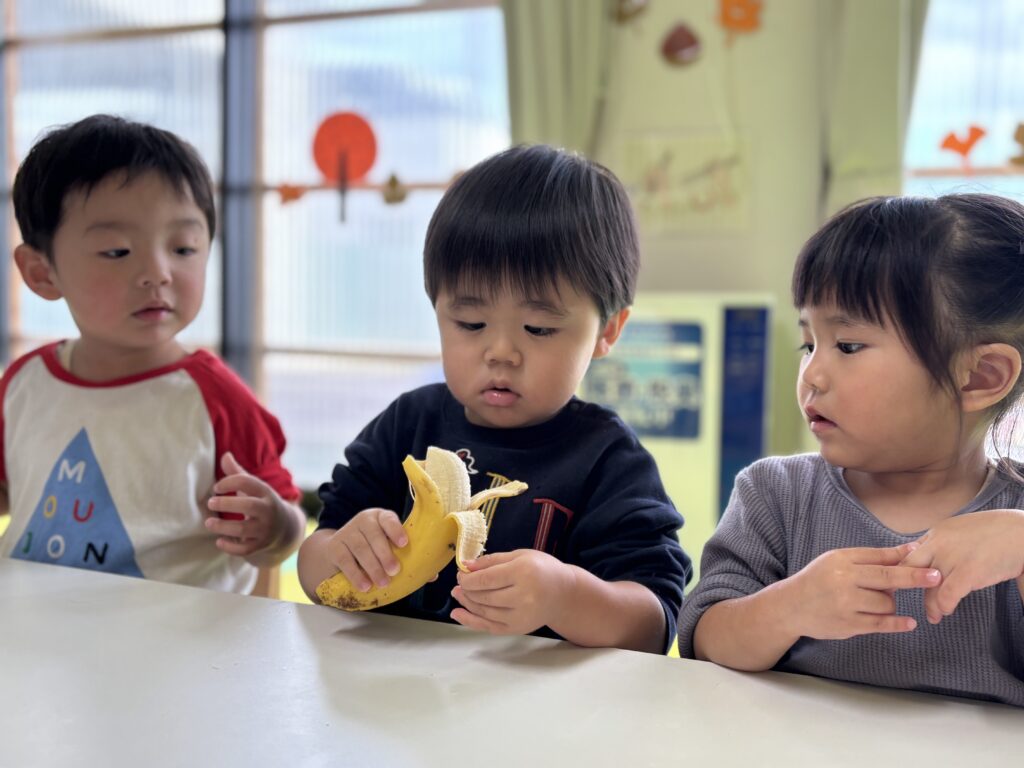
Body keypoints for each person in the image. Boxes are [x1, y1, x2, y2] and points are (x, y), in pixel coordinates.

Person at [298, 145, 691, 653]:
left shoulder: (608, 459)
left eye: (539, 328)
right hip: (394, 689)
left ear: (607, 331)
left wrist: (566, 596)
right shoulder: (407, 426)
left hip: (539, 699)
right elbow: (315, 565)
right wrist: (342, 551)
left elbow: (654, 623)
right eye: (470, 323)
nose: (501, 352)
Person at [678, 193, 1024, 705]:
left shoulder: (1016, 521)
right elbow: (703, 639)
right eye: (808, 344)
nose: (812, 375)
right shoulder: (775, 494)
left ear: (979, 376)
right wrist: (788, 608)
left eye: (848, 346)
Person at [0, 114, 307, 593]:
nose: (158, 272)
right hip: (31, 628)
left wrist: (274, 528)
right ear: (41, 272)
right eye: (117, 251)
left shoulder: (216, 399)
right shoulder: (24, 383)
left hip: (175, 638)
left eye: (183, 248)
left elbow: (284, 530)